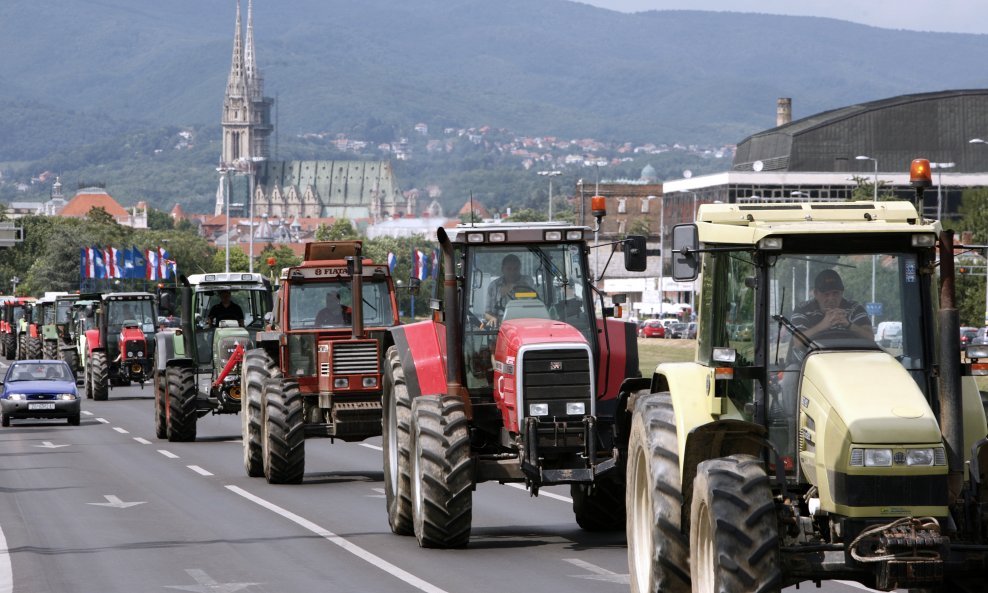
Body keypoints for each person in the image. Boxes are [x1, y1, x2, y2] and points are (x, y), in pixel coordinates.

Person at [792, 269, 872, 341]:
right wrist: (823, 325)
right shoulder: (802, 309)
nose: (831, 298)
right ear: (816, 293)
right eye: (826, 294)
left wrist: (849, 325)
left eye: (835, 293)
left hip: (848, 356)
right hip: (812, 356)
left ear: (842, 292)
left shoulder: (855, 308)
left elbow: (871, 337)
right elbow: (797, 342)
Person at [484, 254, 535, 326]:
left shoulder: (527, 282)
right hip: (500, 325)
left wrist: (512, 287)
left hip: (523, 323)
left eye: (515, 269)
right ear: (502, 269)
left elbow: (533, 300)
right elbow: (487, 313)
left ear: (519, 269)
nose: (512, 272)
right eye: (509, 269)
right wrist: (492, 318)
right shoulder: (494, 286)